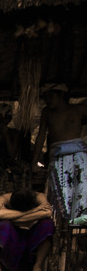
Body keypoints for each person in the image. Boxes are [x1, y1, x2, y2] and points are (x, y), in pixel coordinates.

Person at [32, 83, 87, 226]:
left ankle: (77, 232)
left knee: (81, 194)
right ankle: (62, 230)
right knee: (59, 196)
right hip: (57, 159)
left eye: (51, 96)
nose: (48, 100)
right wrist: (34, 161)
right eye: (46, 97)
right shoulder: (47, 113)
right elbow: (40, 136)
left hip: (80, 158)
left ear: (61, 95)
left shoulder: (80, 110)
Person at [0, 189, 55, 271]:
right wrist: (34, 211)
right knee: (1, 225)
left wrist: (11, 216)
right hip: (12, 233)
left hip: (32, 232)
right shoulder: (2, 199)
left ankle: (37, 266)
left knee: (47, 224)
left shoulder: (39, 196)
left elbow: (47, 213)